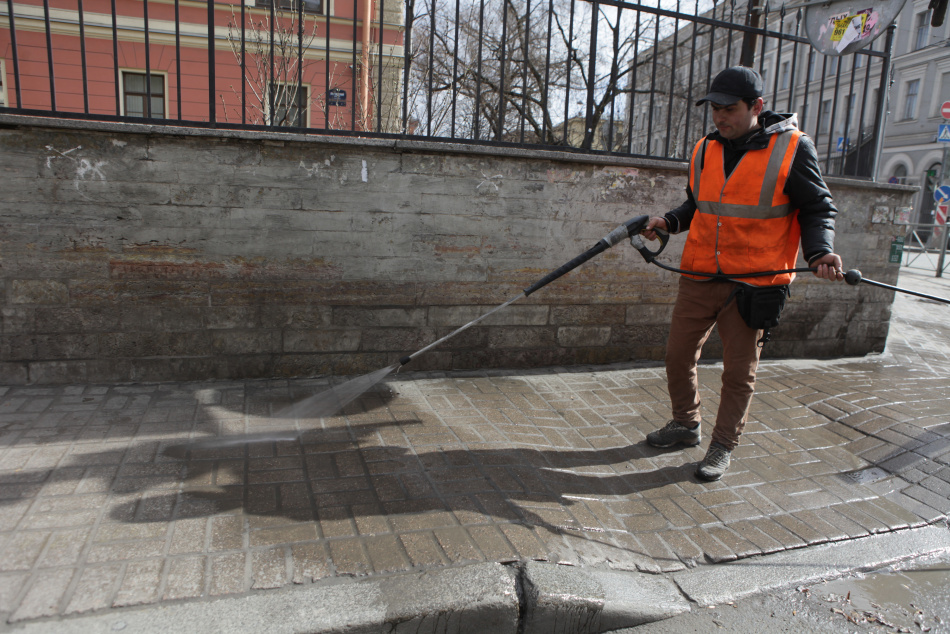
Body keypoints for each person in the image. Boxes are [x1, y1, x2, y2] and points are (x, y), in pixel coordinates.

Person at [640, 66, 844, 482]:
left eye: (729, 109)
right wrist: (669, 222)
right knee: (677, 356)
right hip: (699, 275)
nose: (720, 117)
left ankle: (722, 444)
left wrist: (820, 251)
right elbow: (698, 205)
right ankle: (685, 424)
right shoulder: (704, 149)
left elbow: (818, 208)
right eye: (714, 109)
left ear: (757, 107)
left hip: (754, 284)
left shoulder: (792, 148)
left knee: (738, 372)